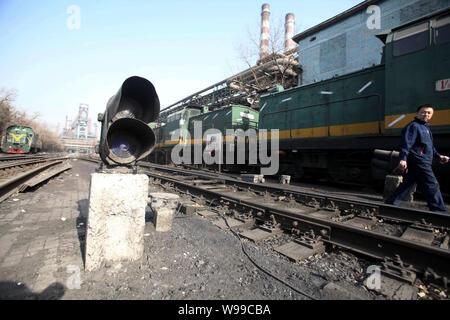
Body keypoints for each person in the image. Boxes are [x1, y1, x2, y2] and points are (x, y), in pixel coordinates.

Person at [385, 104, 449, 213]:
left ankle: (389, 204)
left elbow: (430, 147)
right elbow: (406, 144)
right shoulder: (413, 126)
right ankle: (439, 211)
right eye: (423, 112)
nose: (426, 114)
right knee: (432, 184)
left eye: (429, 113)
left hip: (423, 160)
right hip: (419, 160)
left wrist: (439, 156)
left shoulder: (425, 128)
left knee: (408, 184)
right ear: (417, 113)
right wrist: (403, 158)